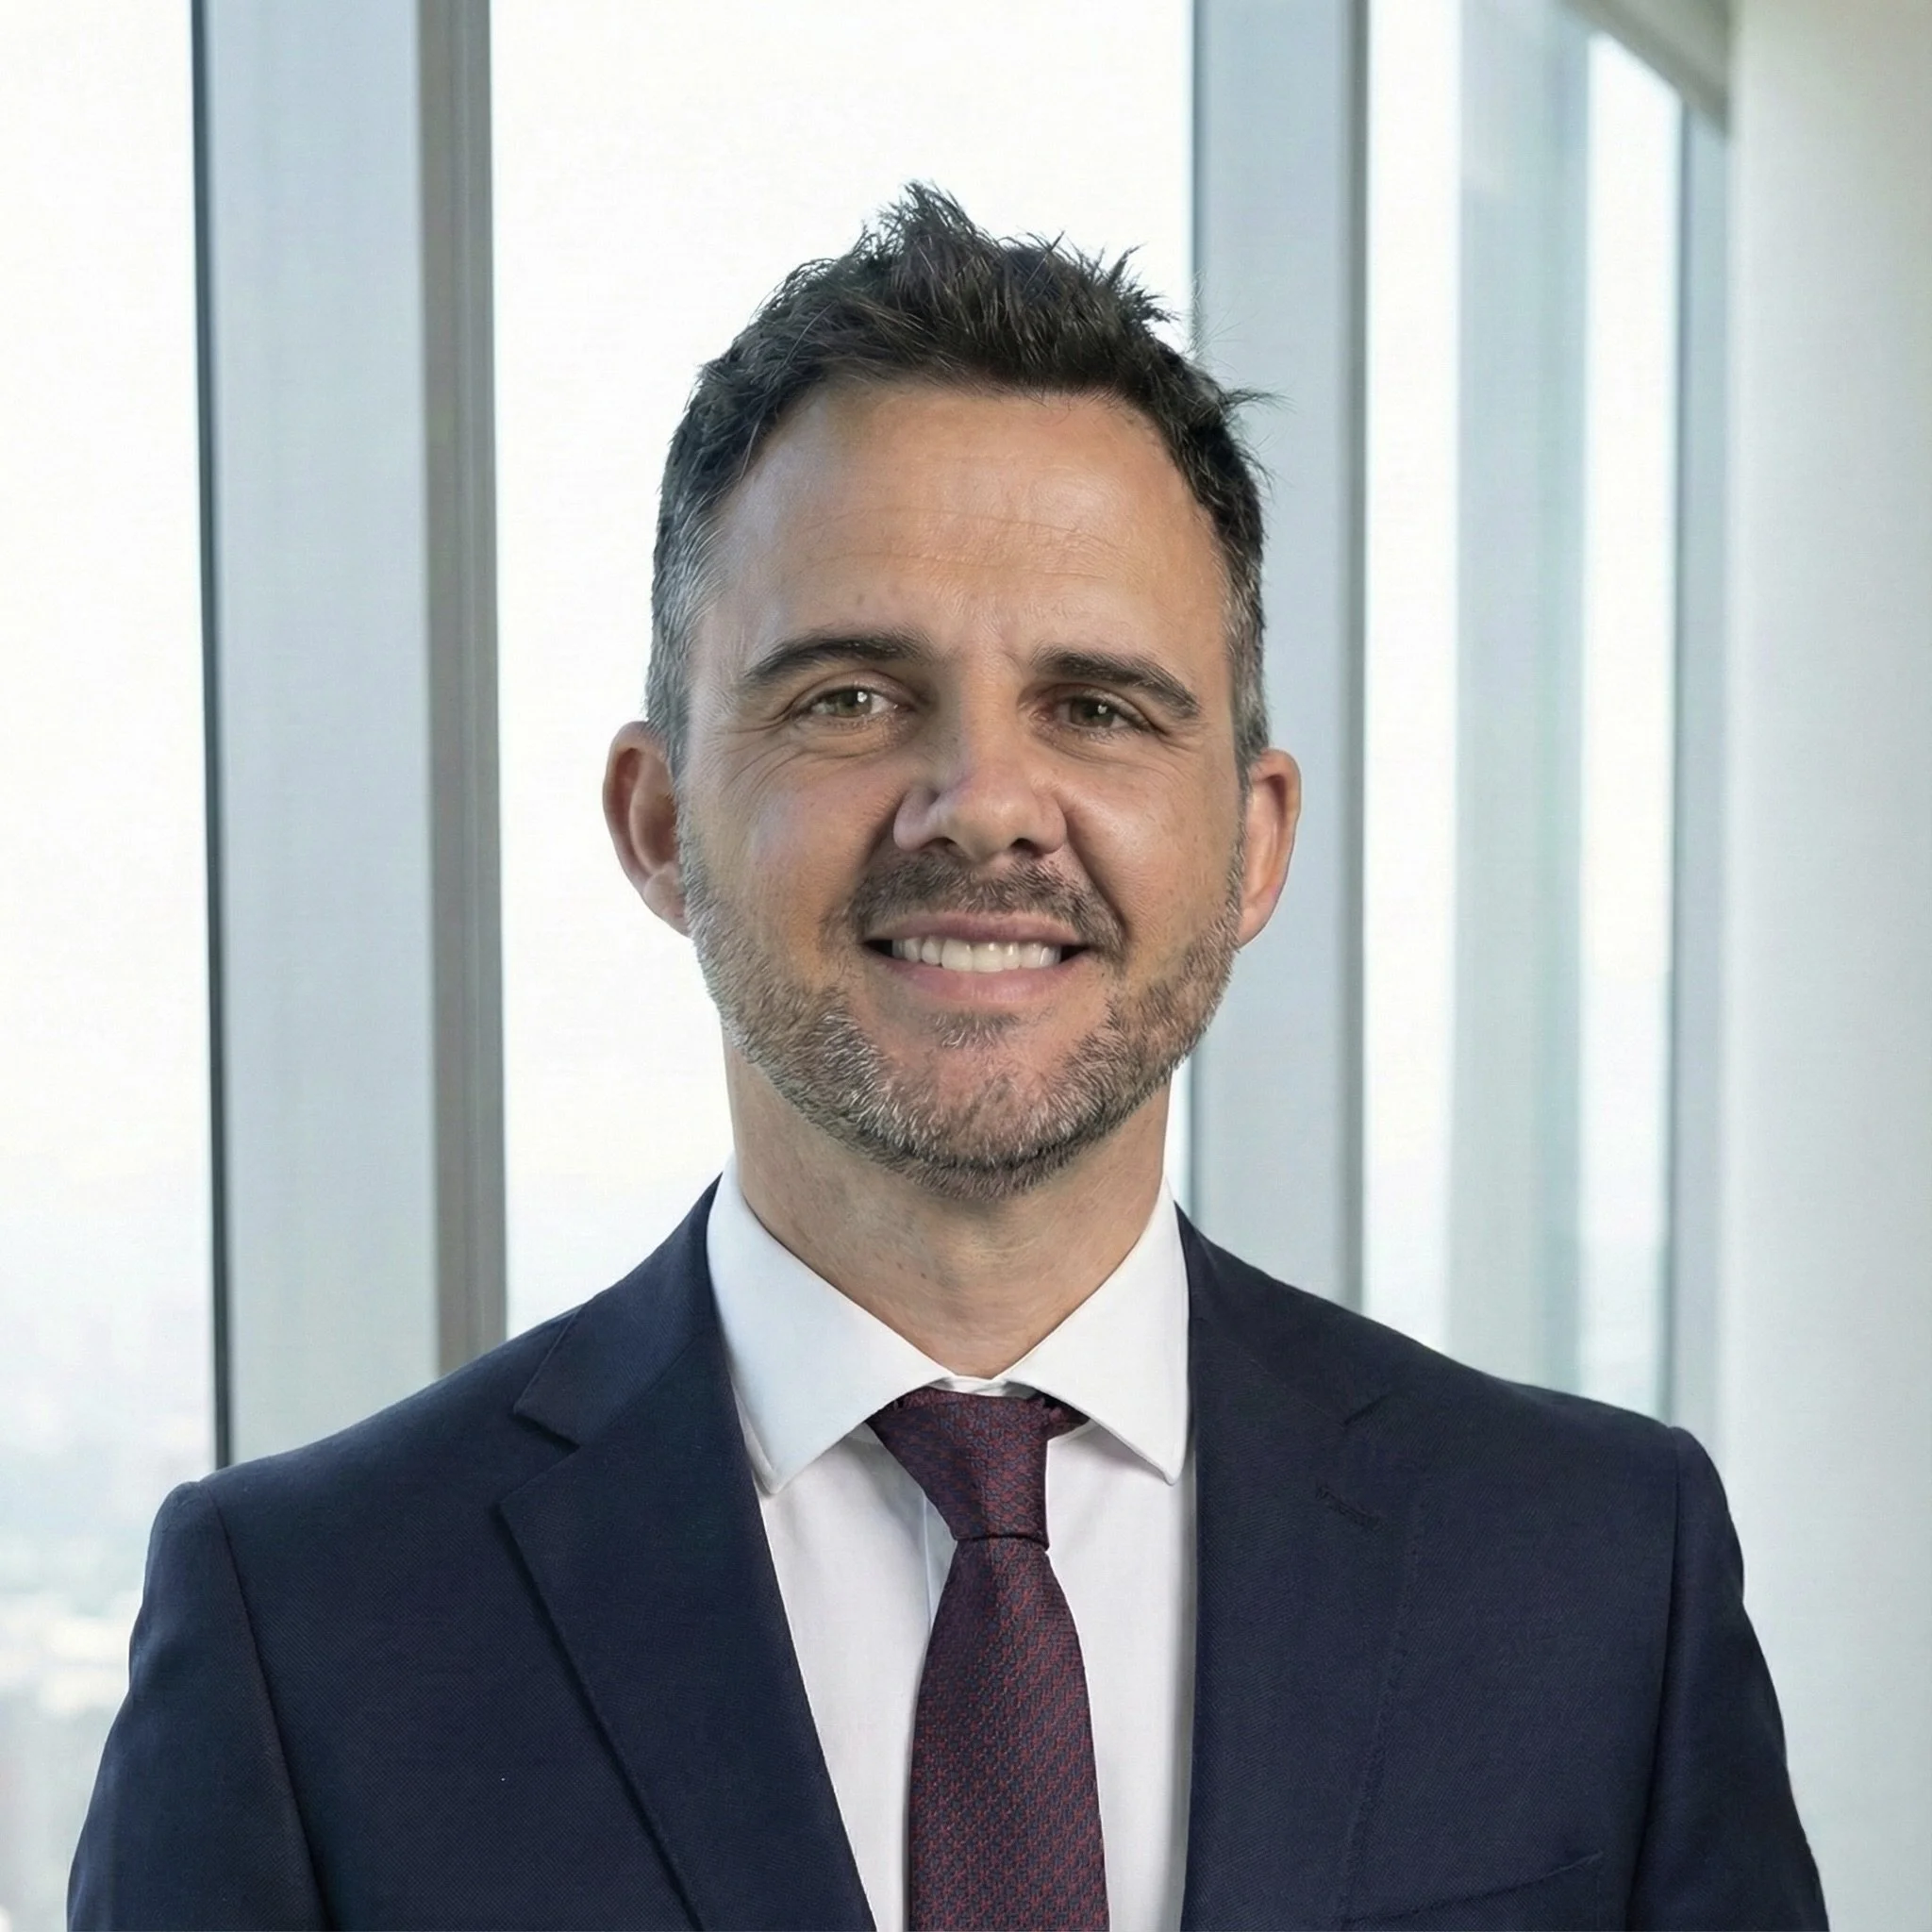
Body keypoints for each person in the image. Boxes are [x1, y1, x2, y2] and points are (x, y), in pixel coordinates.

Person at [71, 187, 1824, 1932]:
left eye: (1099, 709)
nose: (984, 801)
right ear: (661, 819)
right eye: (849, 696)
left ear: (1255, 845)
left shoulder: (1599, 1575)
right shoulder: (299, 1626)